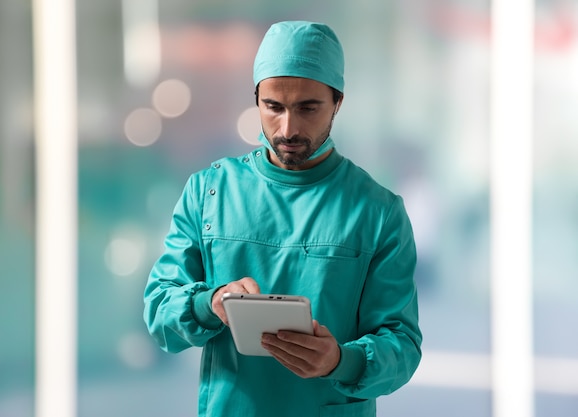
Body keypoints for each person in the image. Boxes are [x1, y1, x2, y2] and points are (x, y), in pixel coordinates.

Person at [143, 20, 422, 417]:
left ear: (337, 102)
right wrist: (210, 304)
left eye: (308, 108)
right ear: (256, 99)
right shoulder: (209, 193)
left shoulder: (378, 212)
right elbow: (158, 310)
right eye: (273, 107)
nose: (288, 128)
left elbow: (403, 343)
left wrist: (341, 361)